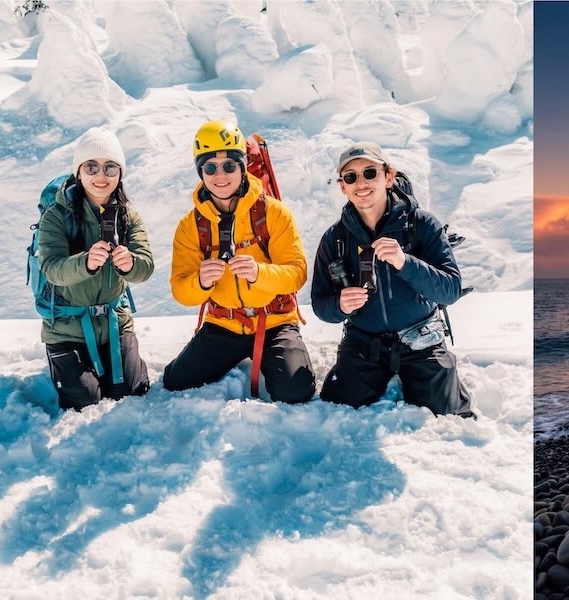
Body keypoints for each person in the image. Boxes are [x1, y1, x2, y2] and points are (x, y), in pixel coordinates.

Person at [307, 142, 471, 416]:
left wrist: (405, 263)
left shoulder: (421, 224)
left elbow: (450, 290)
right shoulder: (334, 238)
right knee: (339, 408)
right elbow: (320, 304)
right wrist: (340, 305)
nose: (361, 183)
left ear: (388, 177)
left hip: (421, 338)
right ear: (343, 187)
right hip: (363, 341)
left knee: (446, 413)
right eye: (351, 177)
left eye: (369, 173)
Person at [160, 120, 314, 403]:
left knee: (297, 391)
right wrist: (201, 281)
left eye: (229, 165)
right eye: (210, 167)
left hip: (275, 322)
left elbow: (297, 272)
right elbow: (180, 289)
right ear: (201, 172)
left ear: (243, 167)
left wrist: (260, 273)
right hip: (224, 324)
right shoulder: (190, 225)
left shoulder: (274, 213)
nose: (221, 175)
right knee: (175, 382)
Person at [34, 129, 154, 410]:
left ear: (120, 173)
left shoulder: (128, 216)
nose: (101, 175)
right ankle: (63, 364)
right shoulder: (56, 216)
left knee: (130, 394)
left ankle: (122, 363)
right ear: (79, 171)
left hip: (115, 323)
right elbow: (51, 268)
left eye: (110, 167)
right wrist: (85, 263)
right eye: (92, 166)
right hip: (67, 328)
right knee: (86, 401)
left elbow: (146, 266)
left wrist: (131, 264)